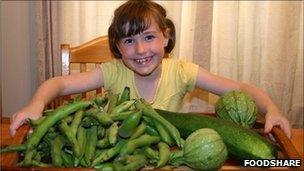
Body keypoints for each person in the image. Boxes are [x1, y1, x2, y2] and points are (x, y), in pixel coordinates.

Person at [10, 0, 291, 138]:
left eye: (149, 37)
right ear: (117, 46)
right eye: (129, 41)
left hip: (170, 157)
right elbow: (58, 85)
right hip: (118, 158)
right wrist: (36, 104)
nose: (141, 50)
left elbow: (241, 89)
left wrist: (273, 110)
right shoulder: (112, 73)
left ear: (166, 37)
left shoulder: (182, 71)